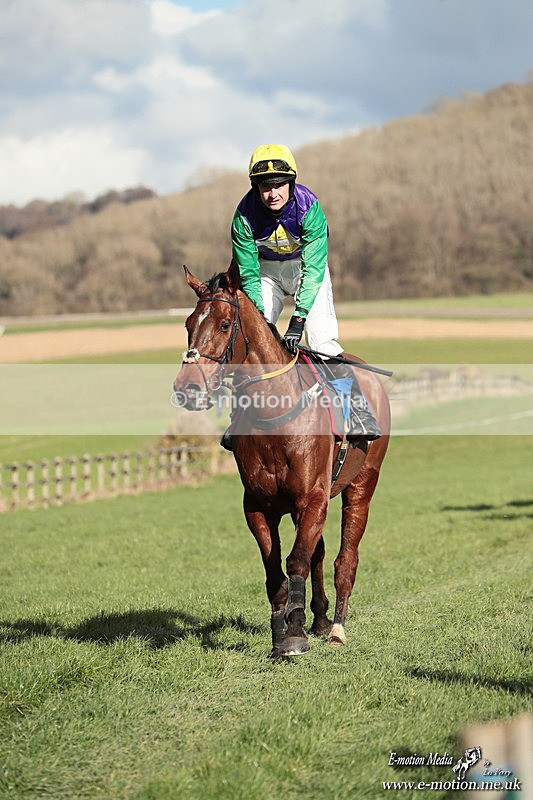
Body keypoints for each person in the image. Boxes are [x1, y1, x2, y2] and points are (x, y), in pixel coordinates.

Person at [222, 143, 380, 449]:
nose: (272, 194)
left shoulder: (309, 207)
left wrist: (298, 319)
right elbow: (250, 275)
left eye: (279, 185)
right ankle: (237, 415)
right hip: (265, 273)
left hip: (305, 271)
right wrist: (261, 320)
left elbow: (314, 267)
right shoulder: (243, 217)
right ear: (256, 187)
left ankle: (357, 411)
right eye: (265, 187)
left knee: (321, 341)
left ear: (291, 183)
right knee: (253, 338)